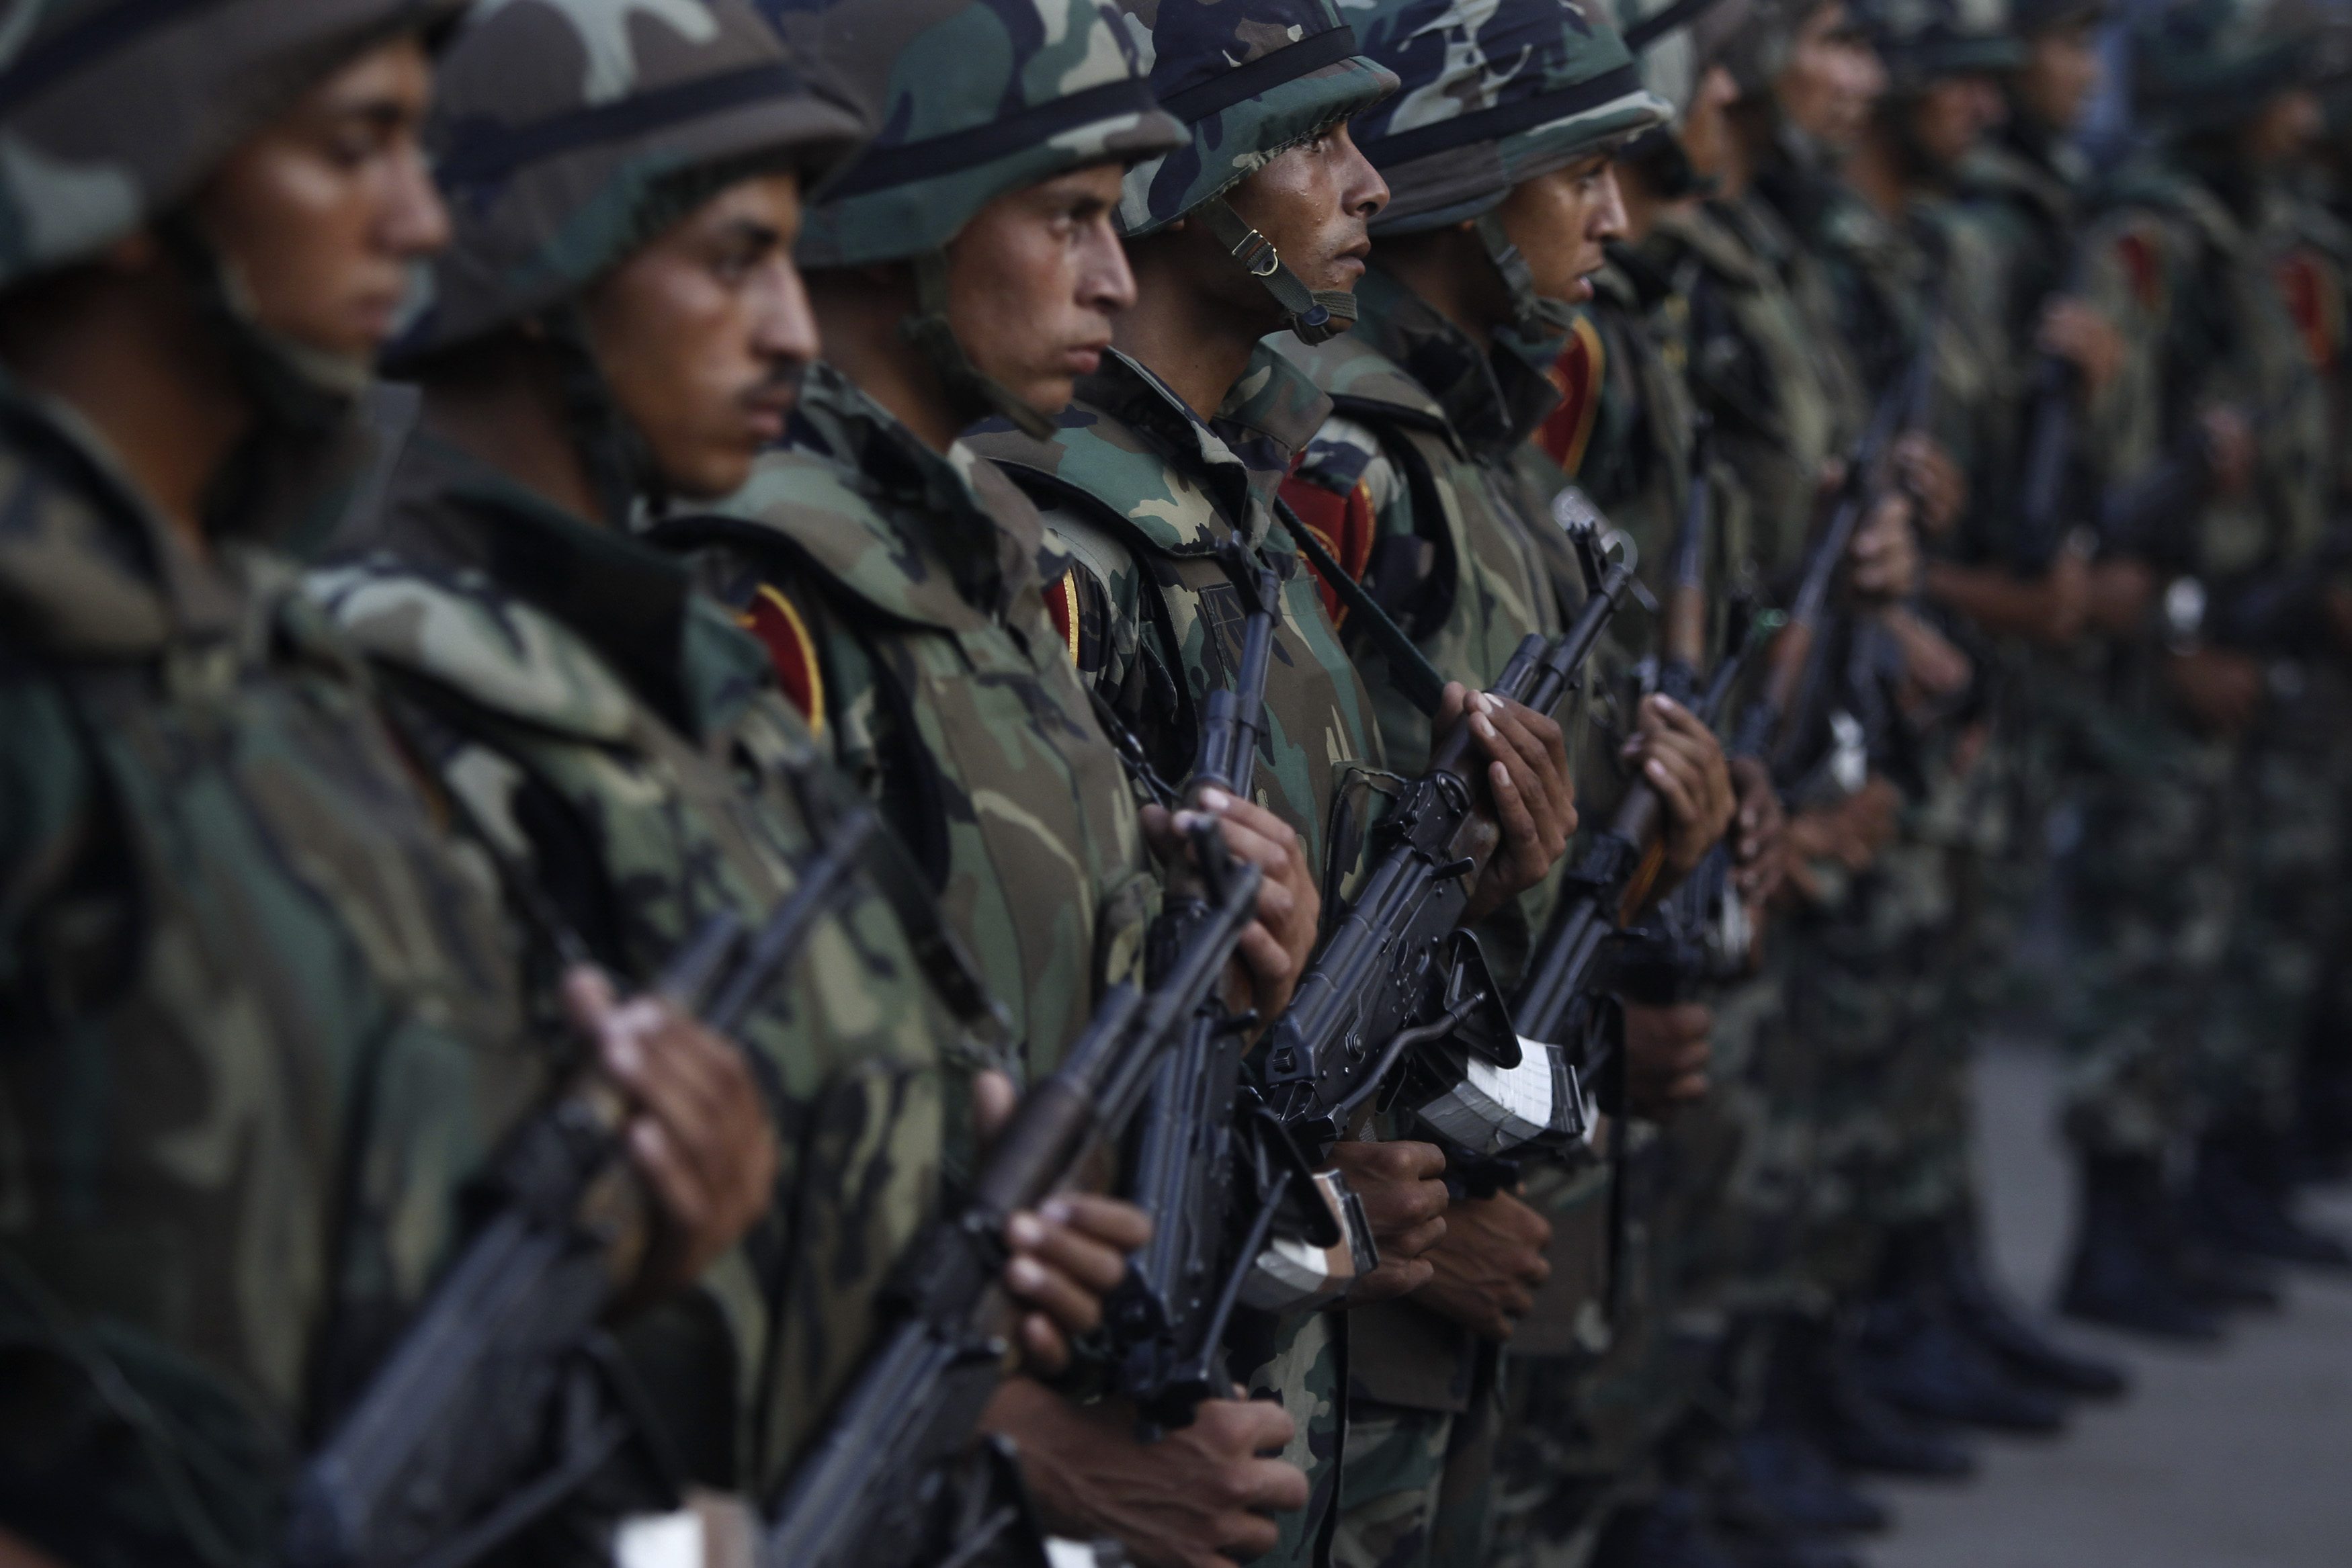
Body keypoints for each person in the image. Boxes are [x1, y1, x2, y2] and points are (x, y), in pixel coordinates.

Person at [322, 0, 1147, 1522]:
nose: (790, 328)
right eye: (729, 261)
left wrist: (960, 1186)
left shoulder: (679, 682)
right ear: (545, 267)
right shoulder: (387, 706)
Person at [0, 1, 763, 1559]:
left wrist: (629, 1230)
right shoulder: (44, 673)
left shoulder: (274, 659)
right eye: (354, 148)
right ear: (132, 172)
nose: (421, 222)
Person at [652, 3, 1327, 1561]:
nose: (1114, 278)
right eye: (1068, 218)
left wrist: (1214, 952)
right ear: (907, 221)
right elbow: (712, 1163)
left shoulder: (974, 559)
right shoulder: (767, 589)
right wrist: (1017, 1435)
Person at [966, 4, 1562, 1557]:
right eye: (1312, 141)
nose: (1370, 184)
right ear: (1192, 184)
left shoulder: (1234, 514)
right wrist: (1306, 1193)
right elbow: (1084, 1015)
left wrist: (1487, 870)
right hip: (1163, 1367)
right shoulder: (1079, 547)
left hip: (1298, 1335)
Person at [2054, 0, 2340, 1340]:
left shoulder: (2251, 231)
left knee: (2207, 932)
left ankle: (2169, 1209)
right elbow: (2107, 470)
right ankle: (2112, 1231)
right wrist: (2173, 635)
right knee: (2146, 937)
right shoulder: (2153, 235)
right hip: (2160, 649)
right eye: (2284, 86)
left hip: (2237, 622)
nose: (2307, 112)